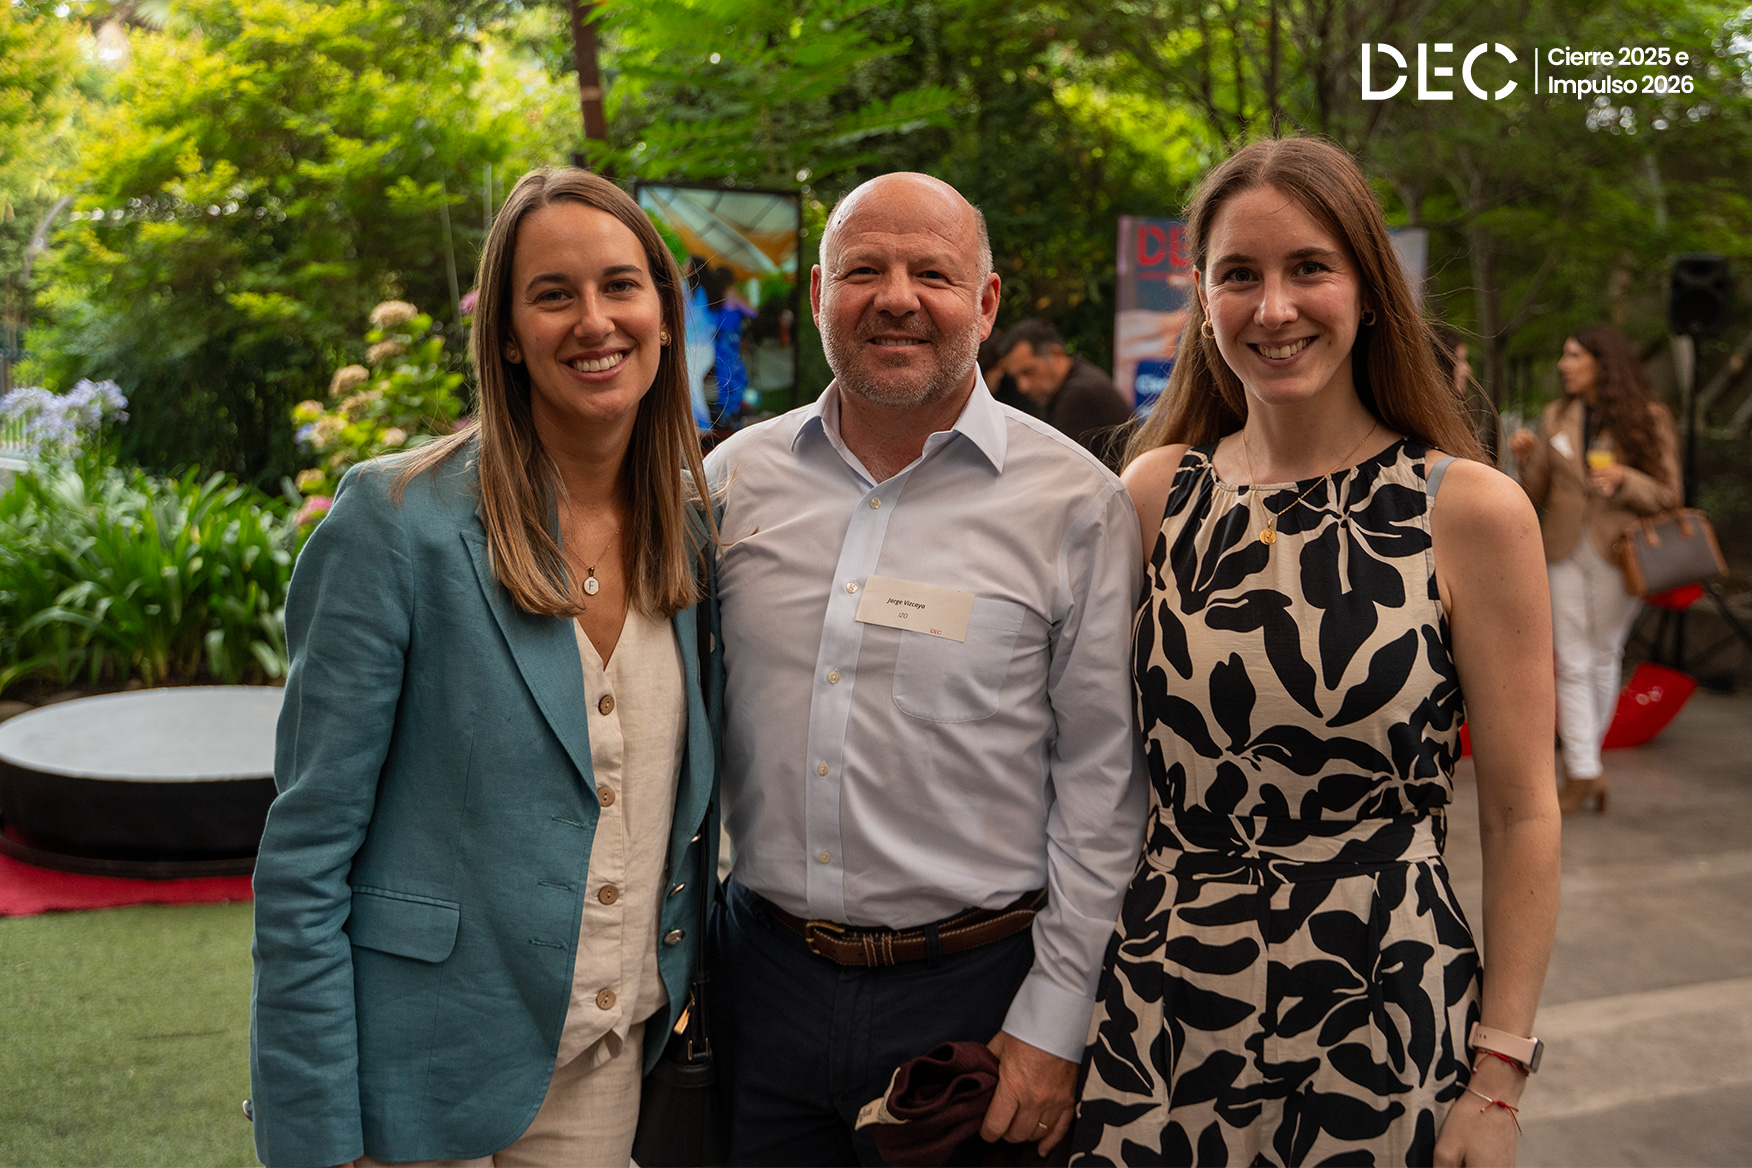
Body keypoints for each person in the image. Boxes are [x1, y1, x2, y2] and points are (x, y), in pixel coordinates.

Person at [1073, 138, 1562, 1166]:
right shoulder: (1155, 493)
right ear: (1202, 297)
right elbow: (1092, 775)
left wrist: (1499, 1075)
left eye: (1309, 268)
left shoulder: (1466, 510)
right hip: (1166, 1006)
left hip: (1383, 1011)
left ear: (1370, 290)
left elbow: (1522, 813)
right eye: (1238, 275)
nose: (1274, 308)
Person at [249, 167, 719, 1168]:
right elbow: (305, 852)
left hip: (603, 1063)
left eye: (621, 286)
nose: (594, 321)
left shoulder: (692, 533)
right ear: (507, 334)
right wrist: (319, 1133)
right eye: (553, 294)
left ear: (664, 314)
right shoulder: (395, 521)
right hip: (410, 1075)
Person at [704, 171, 1146, 1166]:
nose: (896, 298)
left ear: (985, 304)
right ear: (819, 292)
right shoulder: (733, 485)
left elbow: (1103, 785)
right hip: (760, 986)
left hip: (978, 1001)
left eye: (932, 274)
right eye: (864, 270)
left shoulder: (1075, 505)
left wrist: (1056, 1020)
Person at [1508, 324, 1681, 813]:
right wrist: (1527, 461)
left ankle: (1587, 763)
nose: (1563, 365)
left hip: (1619, 551)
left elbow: (1669, 494)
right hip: (1562, 548)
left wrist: (1624, 478)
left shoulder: (1648, 416)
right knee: (1571, 658)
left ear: (1602, 362)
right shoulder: (1555, 414)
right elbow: (1538, 493)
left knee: (1604, 654)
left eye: (1573, 355)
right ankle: (1583, 770)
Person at [998, 318, 1135, 466]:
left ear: (1056, 353)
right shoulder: (1079, 382)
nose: (1022, 387)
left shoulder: (1079, 394)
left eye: (1029, 372)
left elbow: (1051, 466)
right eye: (1016, 377)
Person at [704, 265, 759, 426]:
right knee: (735, 376)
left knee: (724, 376)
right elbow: (753, 311)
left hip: (719, 339)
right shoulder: (732, 293)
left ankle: (726, 414)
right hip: (731, 339)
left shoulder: (714, 295)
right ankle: (733, 415)